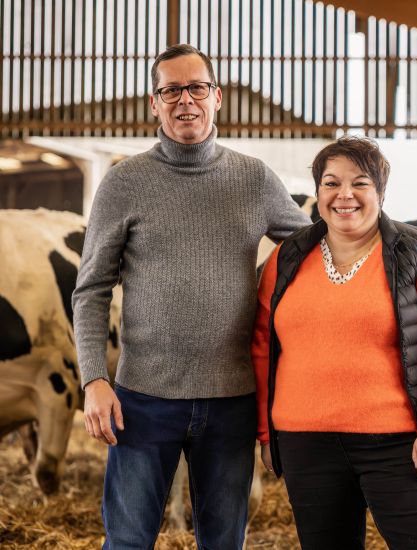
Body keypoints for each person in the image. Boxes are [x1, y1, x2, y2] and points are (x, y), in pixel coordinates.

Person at [72, 44, 310, 550]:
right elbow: (91, 289)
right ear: (154, 104)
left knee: (223, 542)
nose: (186, 100)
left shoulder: (254, 179)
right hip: (141, 400)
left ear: (217, 96)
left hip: (232, 401)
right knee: (128, 541)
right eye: (171, 90)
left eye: (196, 87)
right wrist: (93, 378)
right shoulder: (124, 183)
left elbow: (315, 248)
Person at [252, 136, 417, 549]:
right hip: (306, 444)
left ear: (380, 191)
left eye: (360, 183)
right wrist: (268, 434)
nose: (344, 195)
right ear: (318, 192)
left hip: (400, 445)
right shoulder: (286, 259)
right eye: (331, 183)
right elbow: (263, 346)